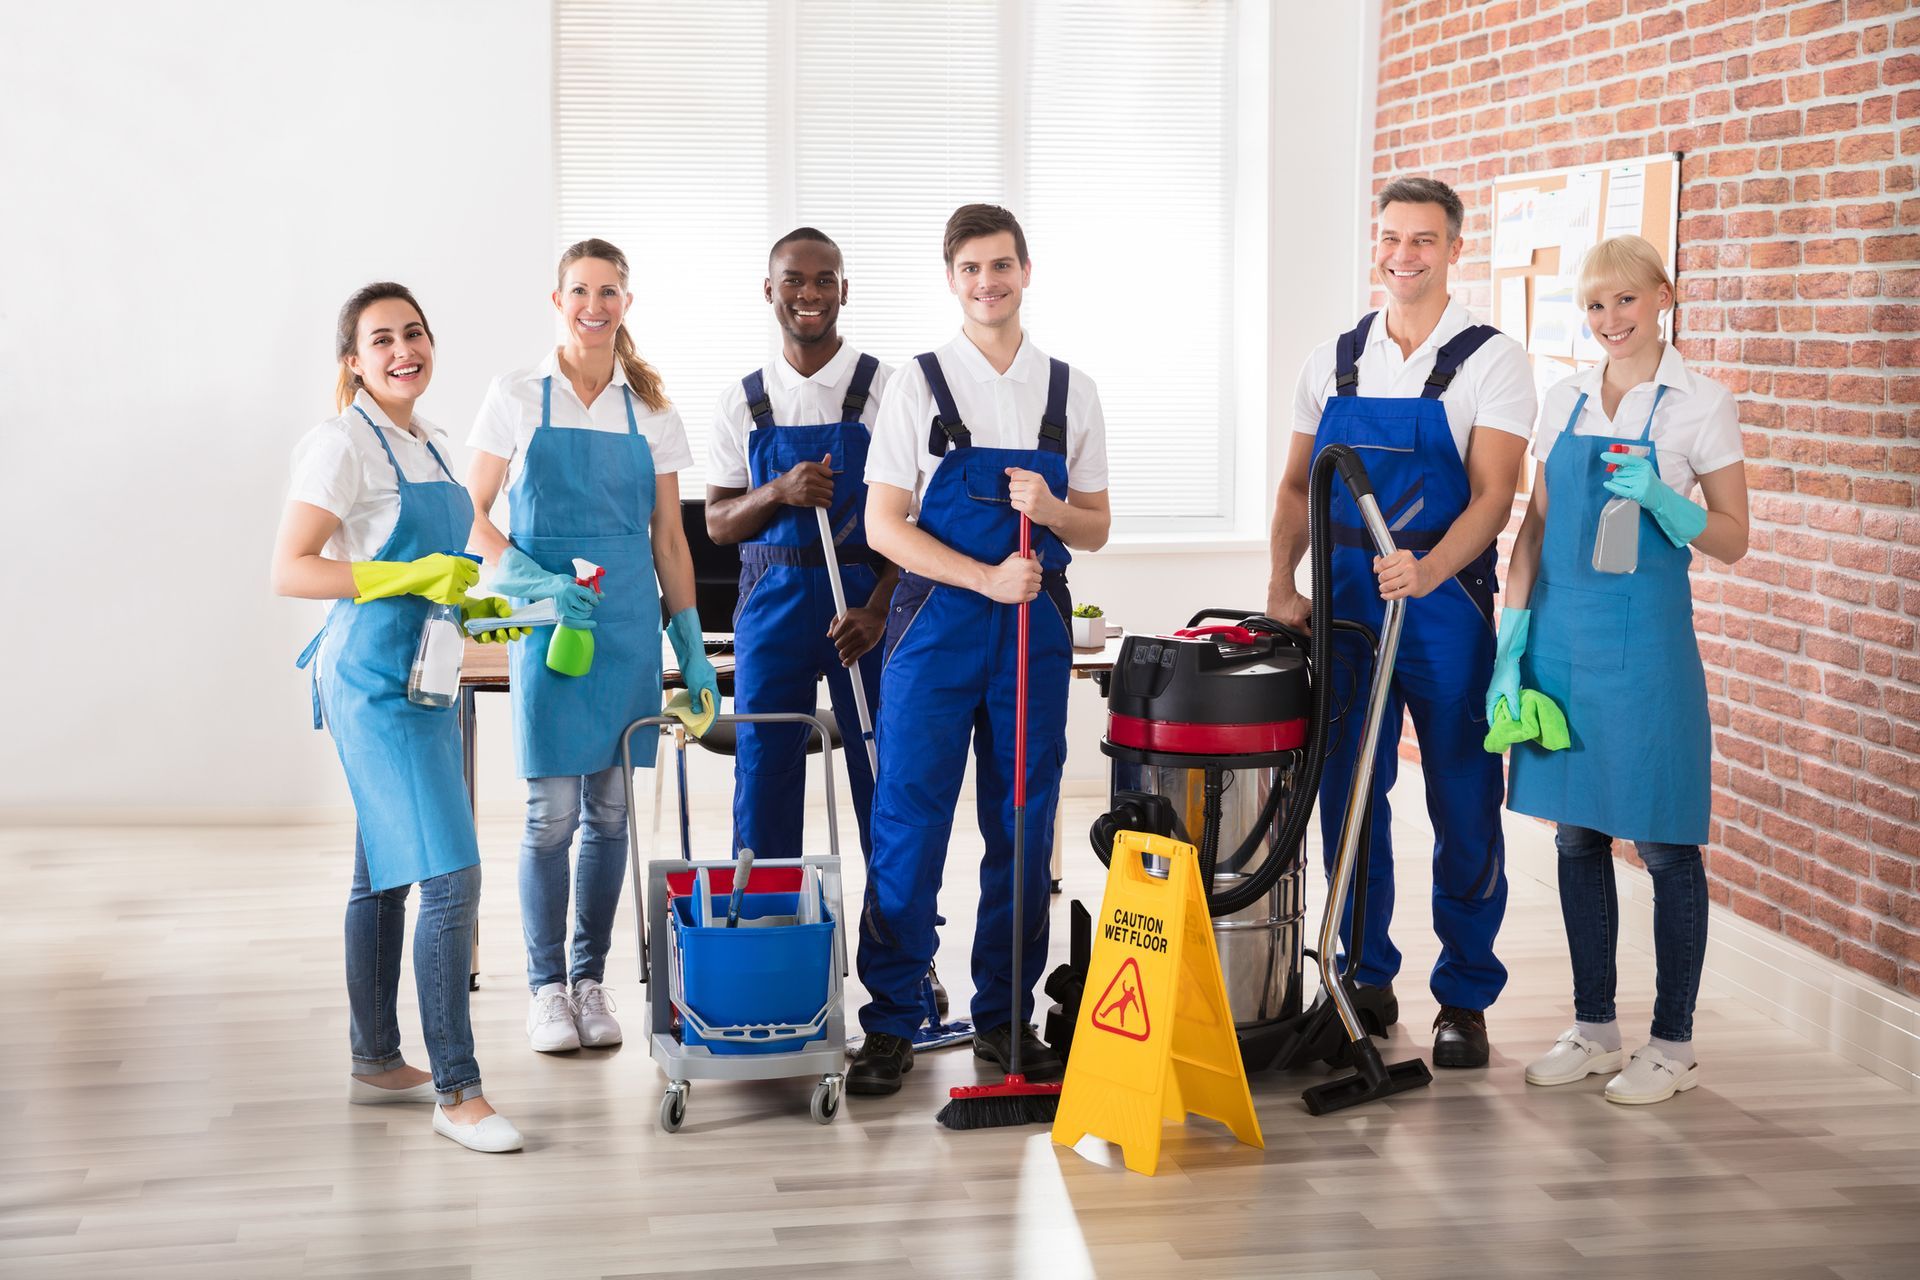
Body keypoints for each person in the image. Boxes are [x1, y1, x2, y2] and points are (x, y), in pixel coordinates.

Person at [1266, 176, 1536, 1068]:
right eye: (1390, 238)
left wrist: (1426, 572)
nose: (1403, 256)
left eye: (1422, 240)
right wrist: (1282, 582)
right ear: (1374, 243)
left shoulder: (1491, 358)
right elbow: (1299, 488)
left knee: (1463, 800)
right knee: (1349, 795)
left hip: (1444, 605)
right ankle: (1361, 976)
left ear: (1455, 249)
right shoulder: (1334, 358)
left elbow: (1495, 497)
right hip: (1346, 611)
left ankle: (1465, 994)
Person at [849, 203, 1111, 1096]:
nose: (987, 283)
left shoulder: (1071, 391)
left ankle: (1005, 1018)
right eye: (970, 269)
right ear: (951, 277)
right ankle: (890, 1021)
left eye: (1002, 266)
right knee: (909, 822)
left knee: (1024, 823)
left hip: (1033, 628)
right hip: (936, 625)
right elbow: (885, 527)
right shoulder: (916, 386)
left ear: (1026, 271)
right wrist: (983, 577)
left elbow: (1099, 526)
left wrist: (1054, 511)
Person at [274, 282, 526, 1153]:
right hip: (369, 681)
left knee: (382, 871)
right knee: (452, 876)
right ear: (353, 361)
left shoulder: (435, 444)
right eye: (379, 340)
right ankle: (458, 1092)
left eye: (412, 333)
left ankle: (378, 1058)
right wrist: (408, 579)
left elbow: (463, 557)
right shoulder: (340, 443)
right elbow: (292, 569)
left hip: (424, 674)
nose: (401, 350)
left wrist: (513, 595)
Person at [1499, 234, 1748, 1105]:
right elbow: (1533, 526)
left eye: (1626, 301)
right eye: (1596, 305)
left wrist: (1667, 500)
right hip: (1561, 636)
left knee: (1666, 843)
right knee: (1577, 834)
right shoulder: (1563, 397)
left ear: (1664, 297)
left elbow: (1733, 539)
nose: (1610, 320)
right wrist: (1511, 638)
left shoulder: (1699, 405)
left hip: (1645, 646)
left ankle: (1673, 1044)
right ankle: (1595, 1027)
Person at [466, 239, 719, 1055]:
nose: (594, 305)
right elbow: (468, 514)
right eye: (580, 290)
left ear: (626, 304)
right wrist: (530, 582)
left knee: (610, 813)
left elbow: (669, 540)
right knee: (551, 814)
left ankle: (588, 979)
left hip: (622, 631)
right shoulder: (515, 395)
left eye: (609, 291)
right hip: (549, 623)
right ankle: (544, 989)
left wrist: (691, 641)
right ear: (557, 299)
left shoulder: (650, 410)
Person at [706, 228, 896, 861]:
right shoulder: (743, 400)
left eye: (823, 280)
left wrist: (878, 610)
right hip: (771, 607)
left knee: (885, 770)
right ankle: (765, 934)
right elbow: (718, 523)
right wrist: (778, 492)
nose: (808, 293)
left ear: (845, 290)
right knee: (764, 774)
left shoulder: (888, 393)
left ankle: (898, 948)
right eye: (793, 279)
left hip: (864, 609)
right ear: (769, 290)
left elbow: (916, 522)